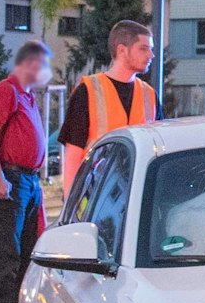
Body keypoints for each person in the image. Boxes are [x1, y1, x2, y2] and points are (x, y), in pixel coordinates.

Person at [0, 40, 53, 303]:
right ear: (32, 64)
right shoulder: (6, 91)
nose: (47, 73)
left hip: (28, 181)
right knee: (6, 254)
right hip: (10, 180)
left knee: (26, 252)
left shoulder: (28, 97)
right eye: (45, 66)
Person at [60, 20, 157, 196]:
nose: (151, 55)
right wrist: (69, 202)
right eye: (143, 48)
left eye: (151, 49)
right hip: (95, 195)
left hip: (138, 194)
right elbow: (73, 151)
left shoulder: (149, 94)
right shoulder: (88, 90)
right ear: (122, 50)